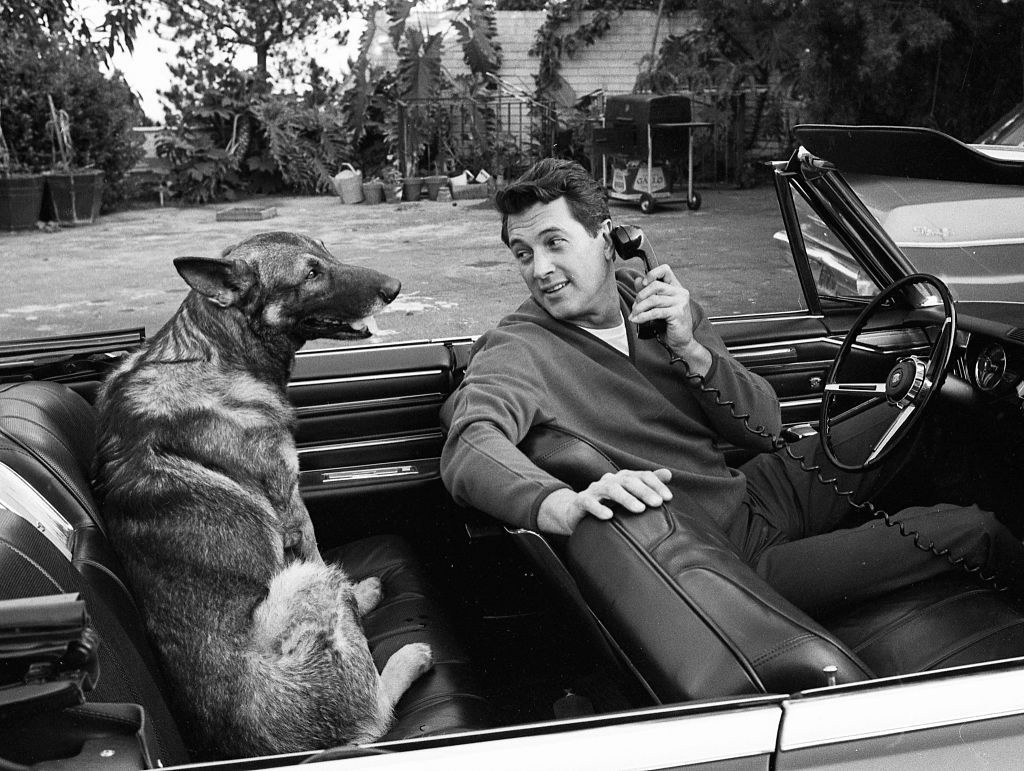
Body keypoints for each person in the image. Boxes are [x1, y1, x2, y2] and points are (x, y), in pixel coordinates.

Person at [439, 158, 1024, 615]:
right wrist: (559, 504)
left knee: (929, 410)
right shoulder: (520, 346)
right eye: (523, 253)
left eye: (553, 243)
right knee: (977, 531)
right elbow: (471, 443)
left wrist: (692, 349)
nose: (538, 268)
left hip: (751, 490)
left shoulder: (647, 300)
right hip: (725, 557)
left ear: (608, 238)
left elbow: (765, 428)